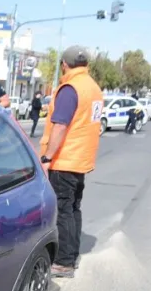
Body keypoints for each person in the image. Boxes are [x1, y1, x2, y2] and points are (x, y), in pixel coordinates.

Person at [38, 45, 104, 278]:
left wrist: (47, 157)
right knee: (73, 208)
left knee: (63, 210)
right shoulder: (93, 88)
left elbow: (61, 125)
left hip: (65, 160)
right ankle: (71, 255)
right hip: (81, 160)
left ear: (64, 65)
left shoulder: (70, 88)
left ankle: (64, 262)